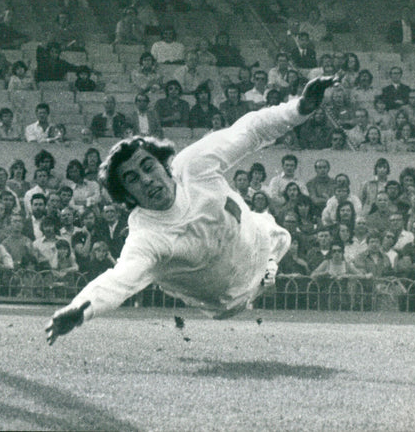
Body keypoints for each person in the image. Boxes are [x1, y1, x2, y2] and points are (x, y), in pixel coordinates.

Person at [46, 75, 338, 344]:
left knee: (276, 232)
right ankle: (262, 275)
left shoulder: (195, 164)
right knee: (166, 273)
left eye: (148, 167)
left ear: (164, 165)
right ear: (127, 196)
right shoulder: (146, 237)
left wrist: (300, 107)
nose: (147, 180)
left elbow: (250, 129)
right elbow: (118, 280)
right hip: (230, 300)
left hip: (260, 241)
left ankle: (269, 266)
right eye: (133, 179)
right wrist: (79, 310)